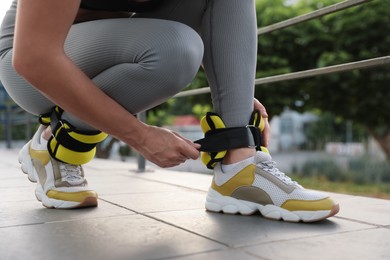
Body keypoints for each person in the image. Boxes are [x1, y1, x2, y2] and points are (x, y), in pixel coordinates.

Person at [0, 0, 339, 222]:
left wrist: (233, 93)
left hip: (104, 43)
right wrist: (140, 136)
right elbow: (34, 57)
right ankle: (56, 144)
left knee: (183, 40)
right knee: (174, 49)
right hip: (29, 55)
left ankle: (240, 168)